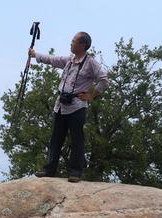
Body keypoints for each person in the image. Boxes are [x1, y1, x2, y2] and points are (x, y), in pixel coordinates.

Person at [28, 31, 109, 182]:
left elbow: (104, 79)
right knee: (55, 138)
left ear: (82, 45)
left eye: (73, 41)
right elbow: (52, 59)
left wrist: (92, 95)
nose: (70, 43)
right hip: (61, 105)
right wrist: (35, 54)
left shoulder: (90, 63)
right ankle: (49, 169)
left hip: (77, 106)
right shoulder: (70, 60)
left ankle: (76, 172)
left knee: (77, 139)